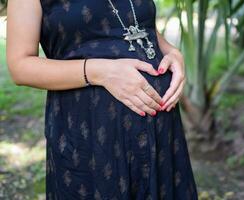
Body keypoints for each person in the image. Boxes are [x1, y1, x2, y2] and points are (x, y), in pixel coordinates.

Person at [6, 0, 198, 199]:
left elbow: (141, 26)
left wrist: (172, 53)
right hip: (91, 135)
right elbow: (20, 67)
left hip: (162, 133)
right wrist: (101, 72)